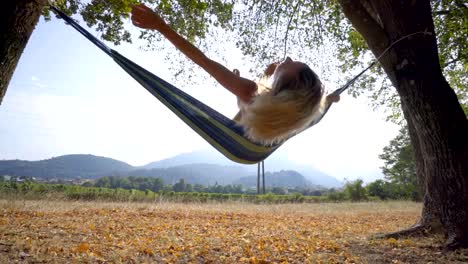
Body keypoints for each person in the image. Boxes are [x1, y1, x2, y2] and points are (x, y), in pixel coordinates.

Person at [131, 4, 339, 145]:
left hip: (239, 131)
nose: (287, 58)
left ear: (289, 85)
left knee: (245, 95)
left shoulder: (251, 91)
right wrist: (328, 101)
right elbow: (311, 110)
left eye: (290, 63)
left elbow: (204, 61)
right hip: (246, 132)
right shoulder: (290, 116)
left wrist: (161, 27)